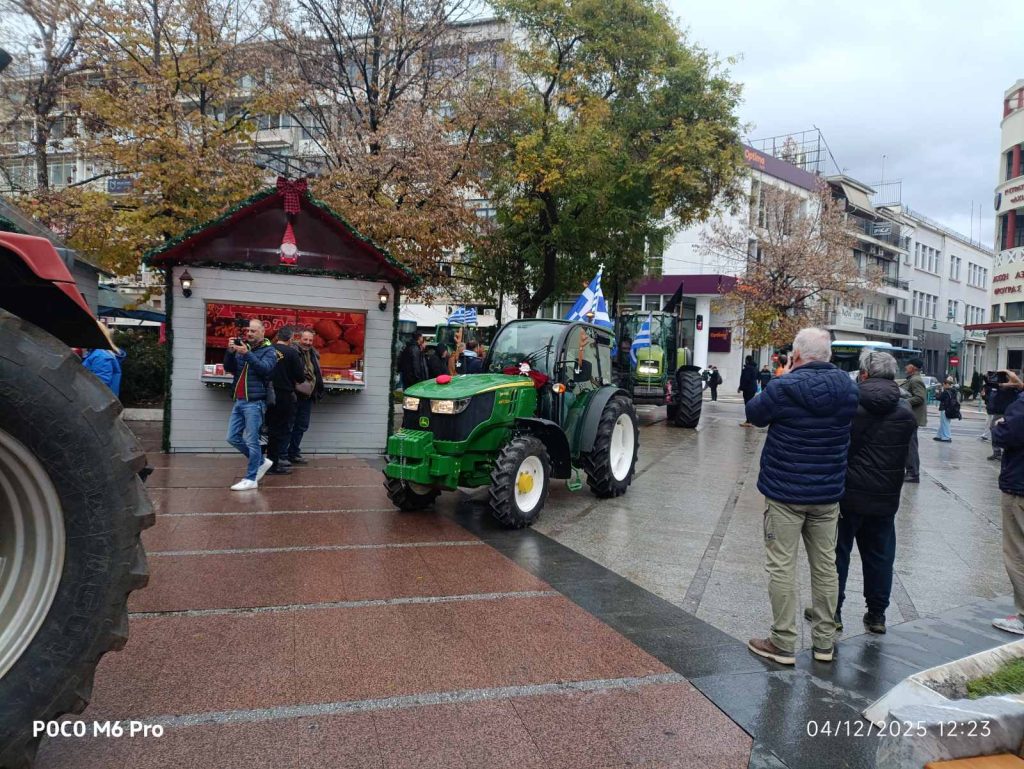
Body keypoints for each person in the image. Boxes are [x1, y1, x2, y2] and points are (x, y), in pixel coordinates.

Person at [744, 327, 859, 665]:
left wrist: (786, 375)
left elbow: (754, 413)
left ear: (796, 355)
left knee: (782, 565)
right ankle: (824, 643)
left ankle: (783, 643)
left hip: (785, 493)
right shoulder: (849, 389)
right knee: (826, 566)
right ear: (828, 356)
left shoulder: (783, 386)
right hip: (827, 493)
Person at [829, 350, 917, 636]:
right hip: (885, 497)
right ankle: (877, 614)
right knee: (880, 556)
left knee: (838, 553)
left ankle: (834, 612)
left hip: (848, 494)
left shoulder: (850, 405)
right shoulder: (905, 411)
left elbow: (837, 449)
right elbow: (909, 456)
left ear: (863, 374)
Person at [224, 319, 279, 491]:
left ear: (263, 332)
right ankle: (261, 462)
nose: (249, 334)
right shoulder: (243, 348)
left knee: (252, 441)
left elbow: (266, 370)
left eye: (254, 331)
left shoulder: (270, 351)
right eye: (248, 331)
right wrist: (230, 352)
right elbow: (230, 368)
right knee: (232, 437)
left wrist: (247, 354)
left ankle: (251, 478)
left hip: (255, 402)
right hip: (240, 400)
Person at [990, 370, 1024, 634]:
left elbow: (1003, 434)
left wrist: (1000, 423)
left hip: (1019, 485)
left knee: (1016, 551)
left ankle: (1023, 615)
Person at [265, 326, 306, 475]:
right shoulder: (292, 353)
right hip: (284, 395)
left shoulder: (267, 349)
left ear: (277, 336)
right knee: (280, 430)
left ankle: (266, 461)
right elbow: (300, 377)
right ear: (290, 339)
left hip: (266, 393)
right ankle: (273, 464)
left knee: (267, 429)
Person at [287, 328, 325, 464]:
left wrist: (318, 389)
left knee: (302, 425)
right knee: (289, 425)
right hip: (293, 395)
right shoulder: (293, 352)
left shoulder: (314, 354)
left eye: (310, 340)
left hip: (307, 396)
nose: (308, 342)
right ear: (299, 339)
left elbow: (317, 373)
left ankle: (293, 452)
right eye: (305, 339)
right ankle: (283, 454)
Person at [900, 358, 928, 483]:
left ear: (914, 367)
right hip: (910, 417)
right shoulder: (912, 379)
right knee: (908, 445)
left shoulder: (916, 380)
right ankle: (911, 471)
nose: (906, 367)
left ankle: (913, 473)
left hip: (912, 417)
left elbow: (919, 398)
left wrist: (903, 402)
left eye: (908, 365)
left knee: (911, 446)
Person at [985, 372, 1019, 461]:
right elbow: (989, 383)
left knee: (1003, 431)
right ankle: (997, 452)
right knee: (994, 429)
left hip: (1007, 412)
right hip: (1000, 412)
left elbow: (1017, 384)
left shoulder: (1013, 386)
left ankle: (1002, 452)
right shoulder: (1000, 386)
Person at [934, 376, 959, 443]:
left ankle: (947, 437)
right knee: (944, 423)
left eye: (944, 384)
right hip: (950, 409)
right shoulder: (954, 391)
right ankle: (939, 436)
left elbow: (939, 398)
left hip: (945, 408)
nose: (943, 385)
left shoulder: (946, 392)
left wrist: (937, 392)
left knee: (945, 423)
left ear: (947, 384)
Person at [738, 355, 758, 426]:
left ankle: (748, 421)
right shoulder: (754, 368)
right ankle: (750, 420)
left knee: (747, 405)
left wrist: (740, 387)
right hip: (752, 388)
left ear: (747, 360)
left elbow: (745, 379)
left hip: (748, 389)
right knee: (750, 404)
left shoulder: (748, 368)